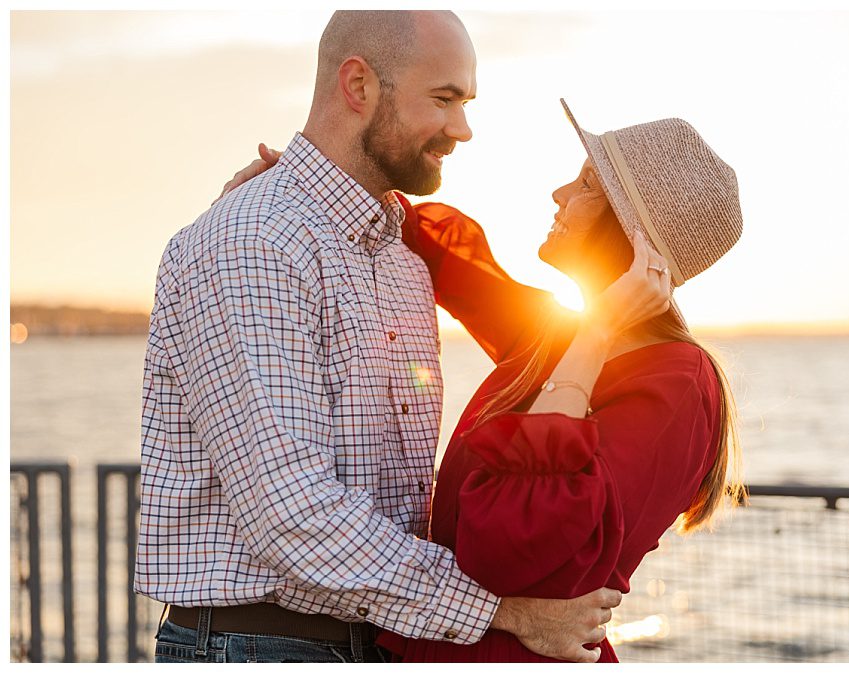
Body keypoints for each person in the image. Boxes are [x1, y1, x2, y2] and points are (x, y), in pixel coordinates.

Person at [136, 11, 621, 664]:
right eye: (444, 99)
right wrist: (503, 613)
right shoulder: (254, 241)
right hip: (256, 646)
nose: (463, 129)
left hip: (385, 641)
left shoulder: (402, 263)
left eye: (467, 103)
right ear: (358, 86)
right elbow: (293, 516)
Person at [223, 99, 745, 662]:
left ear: (636, 238)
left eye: (588, 184)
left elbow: (507, 541)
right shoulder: (552, 338)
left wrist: (595, 333)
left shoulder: (677, 382)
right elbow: (448, 255)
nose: (560, 194)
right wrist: (295, 190)